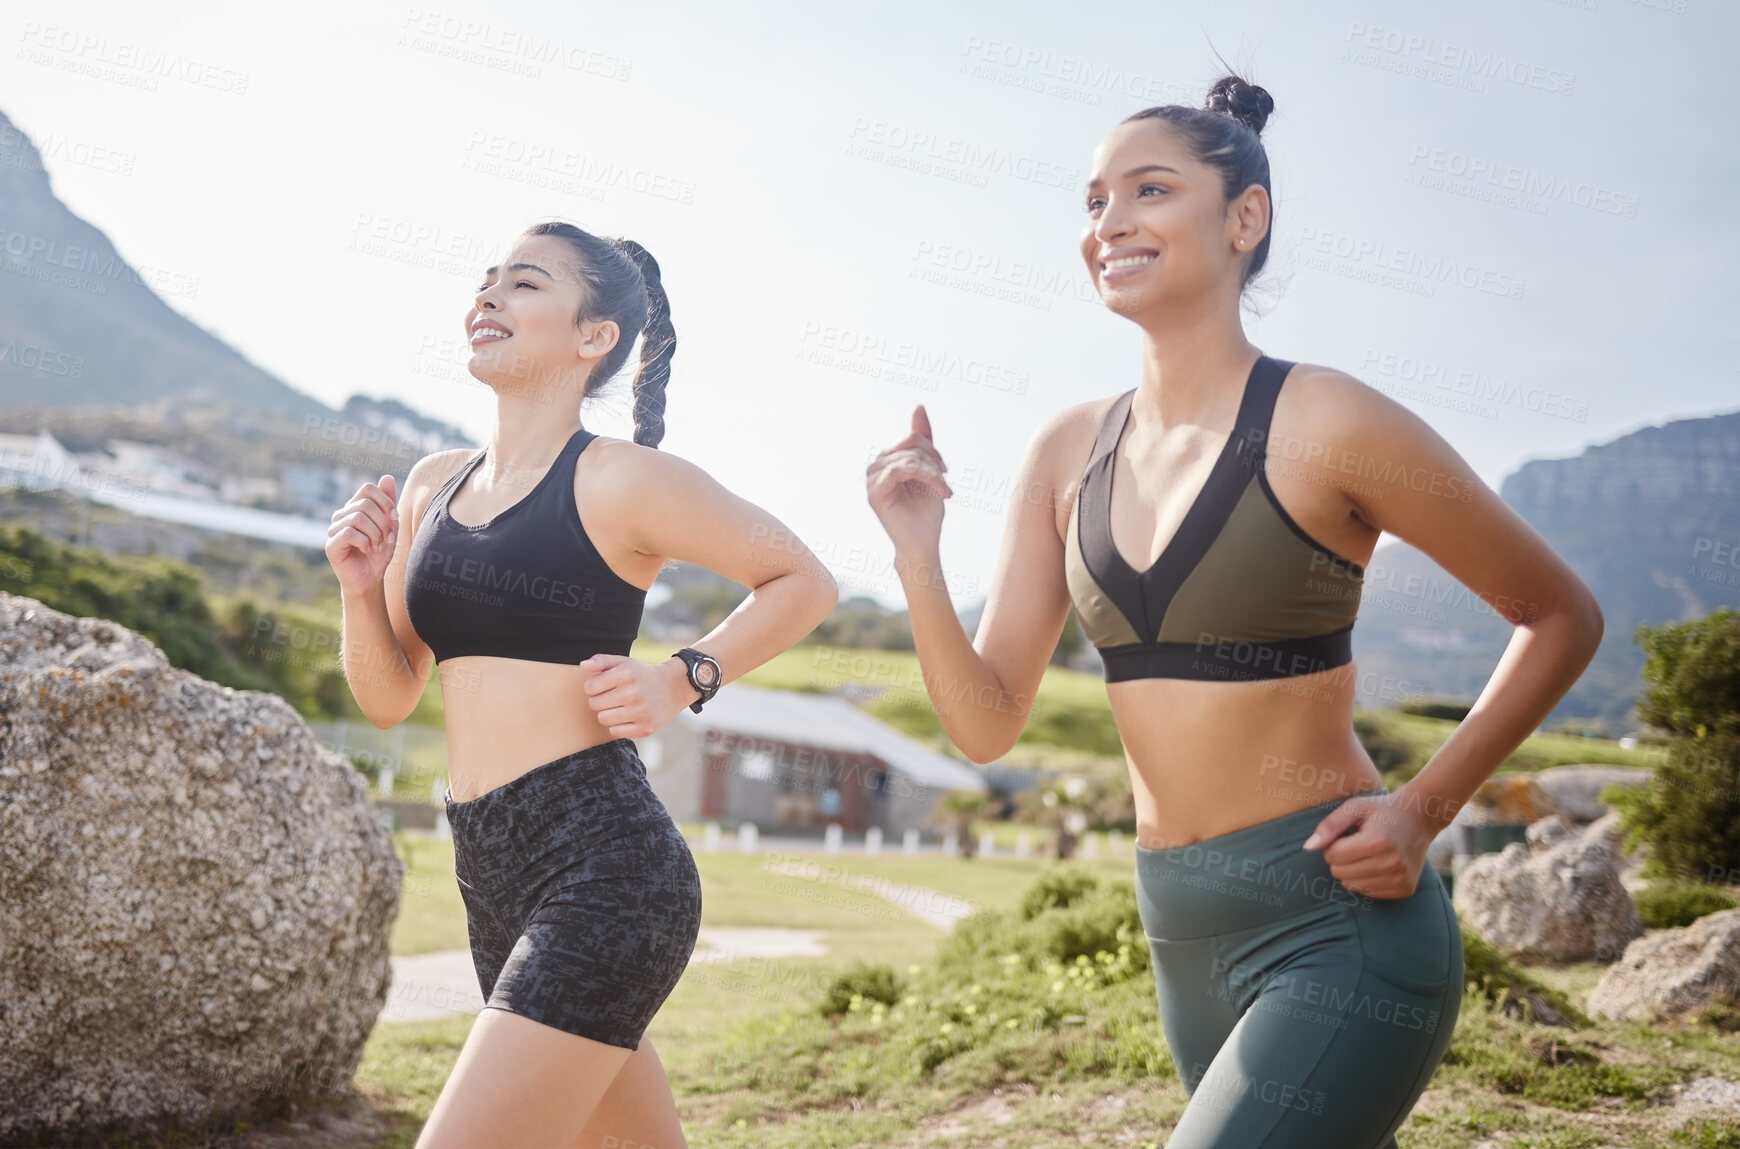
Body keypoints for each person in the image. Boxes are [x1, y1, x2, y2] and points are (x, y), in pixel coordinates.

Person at [865, 74, 1603, 1148]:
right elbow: (986, 723)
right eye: (1093, 201)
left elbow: (1558, 613)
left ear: (1244, 217)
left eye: (1150, 190)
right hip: (1182, 936)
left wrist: (1424, 810)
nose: (1110, 221)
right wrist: (917, 557)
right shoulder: (1067, 452)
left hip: (1335, 925)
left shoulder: (1328, 419)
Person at [326, 220, 838, 1148]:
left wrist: (682, 680)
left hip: (604, 864)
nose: (487, 297)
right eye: (485, 281)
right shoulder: (433, 487)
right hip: (487, 865)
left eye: (523, 284)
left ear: (594, 336)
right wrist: (359, 591)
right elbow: (389, 695)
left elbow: (803, 578)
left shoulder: (620, 479)